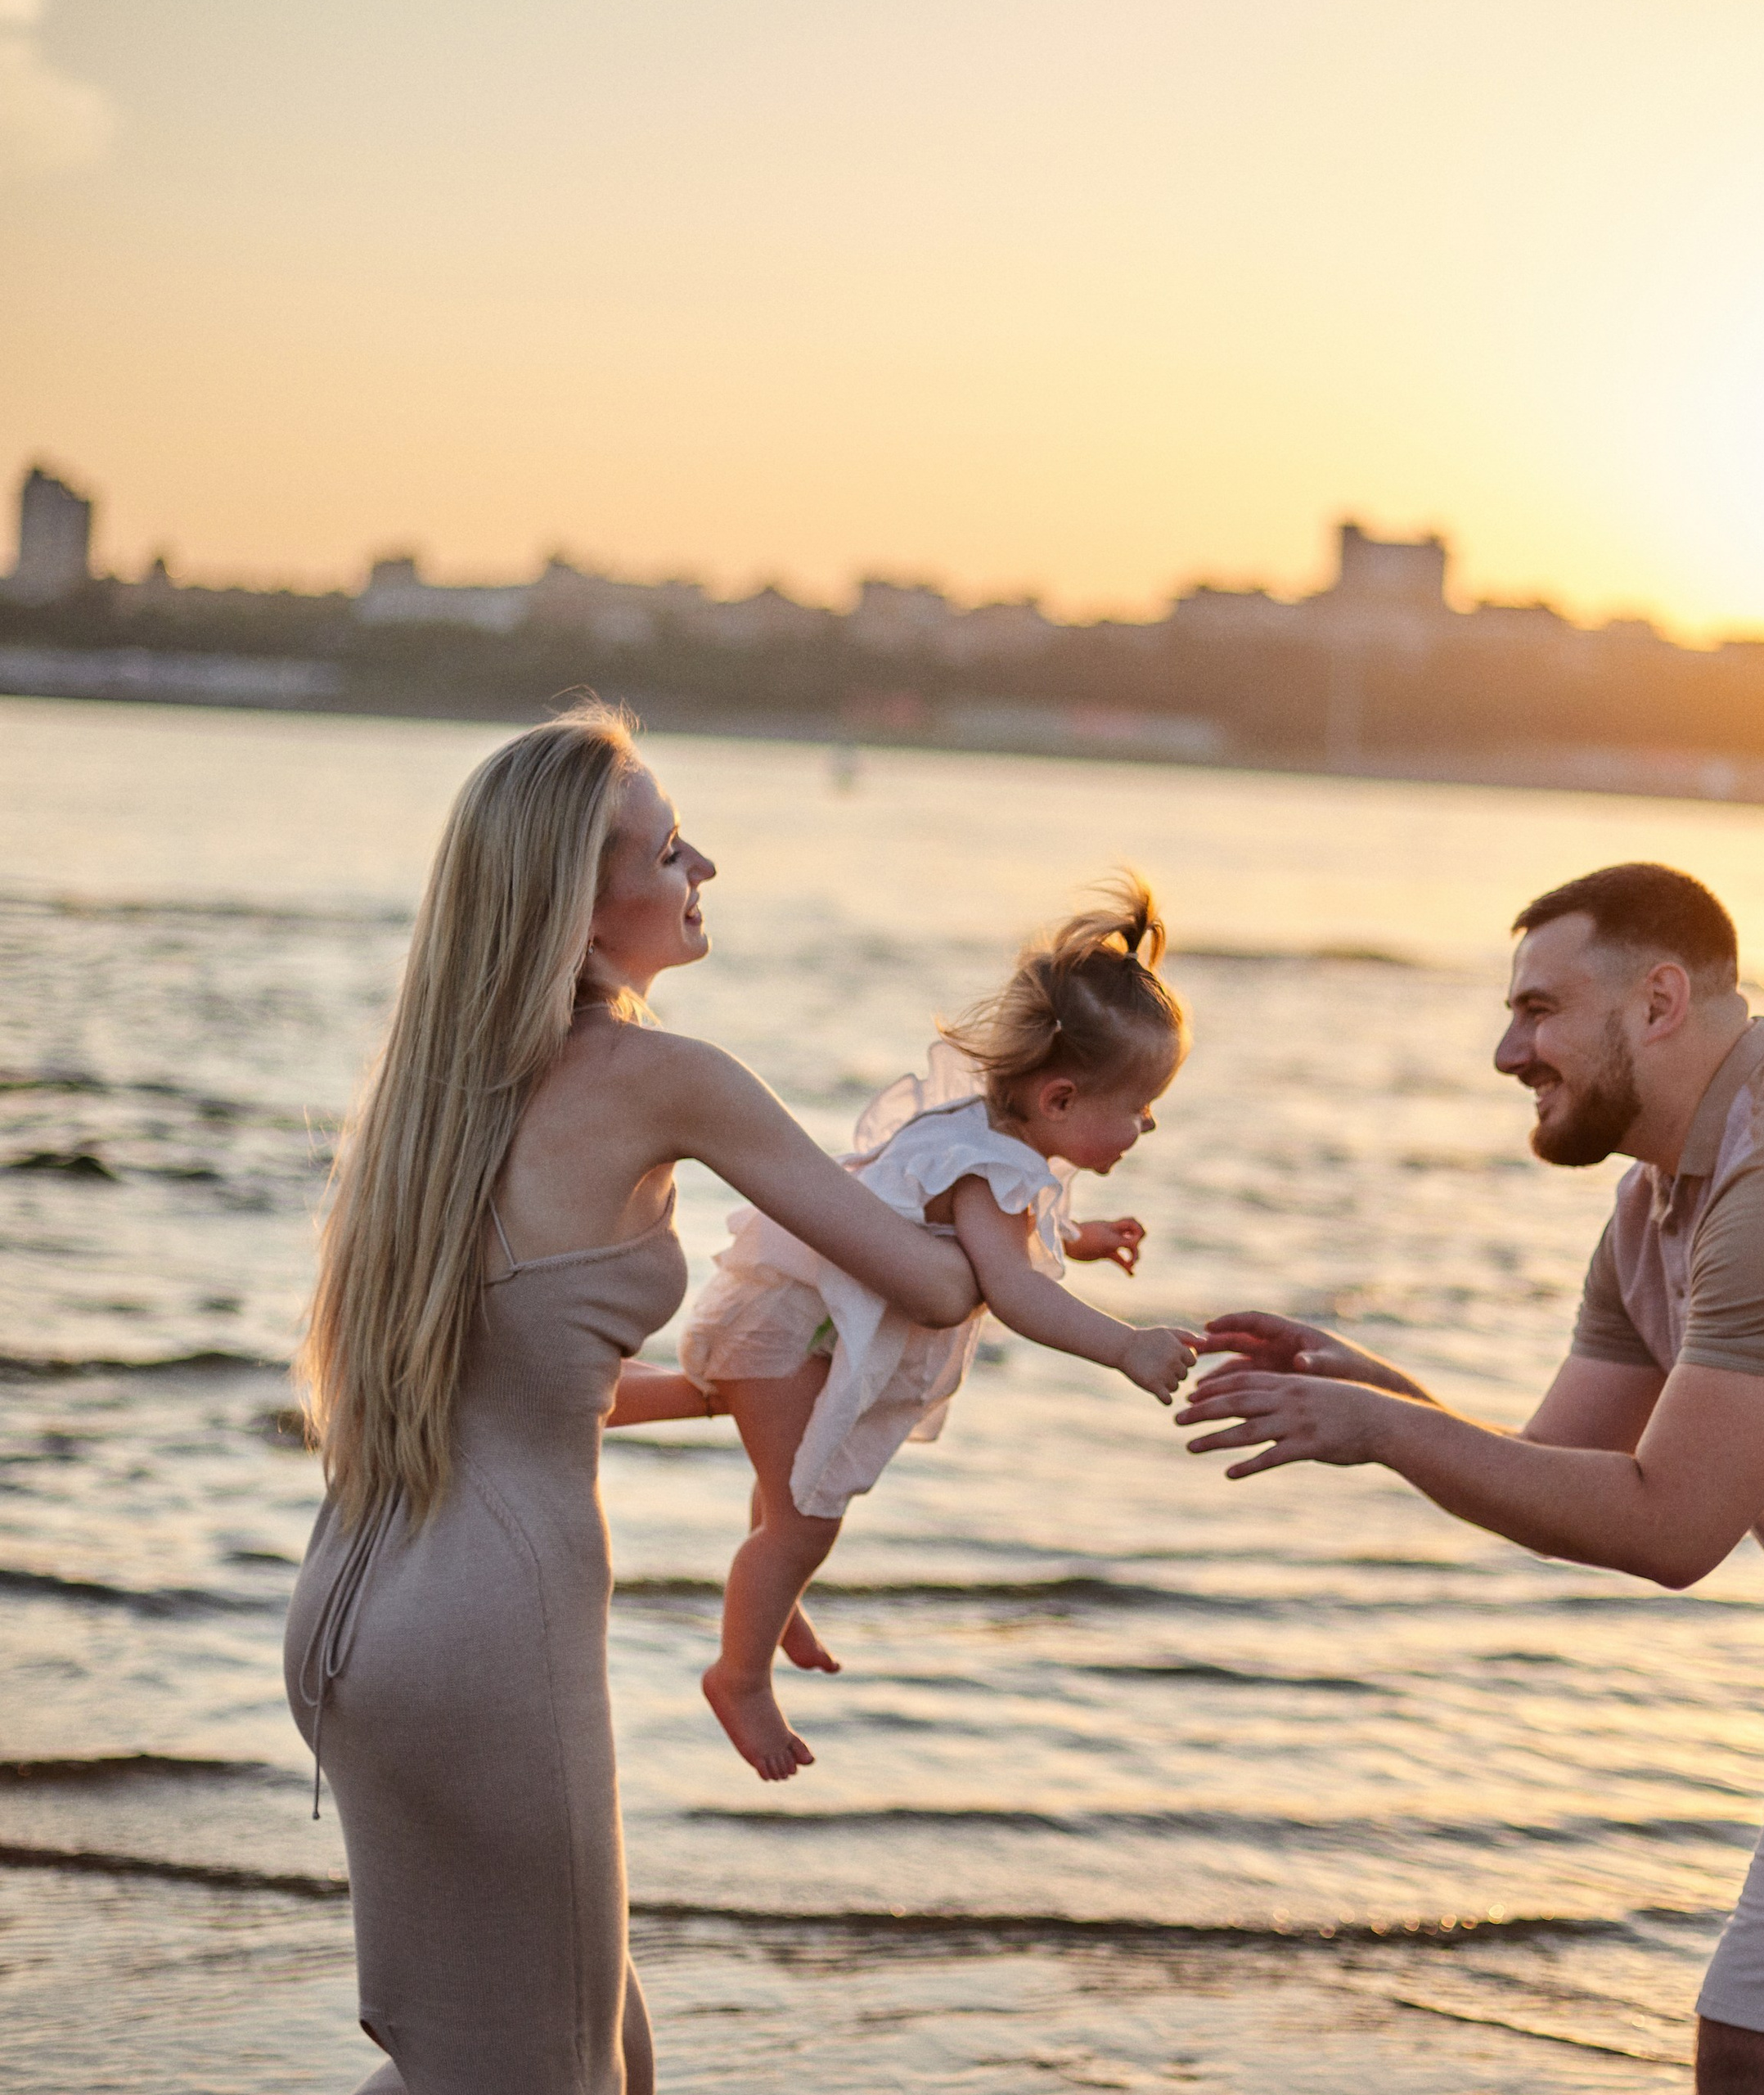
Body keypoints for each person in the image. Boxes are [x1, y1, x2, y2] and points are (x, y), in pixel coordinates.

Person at [1176, 862, 1764, 2095]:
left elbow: (1674, 1528)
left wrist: (1380, 1432)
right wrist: (1383, 1391)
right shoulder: (1652, 1209)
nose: (1510, 1052)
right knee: (1758, 2053)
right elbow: (1568, 1471)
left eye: (1539, 1010)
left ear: (1659, 1002)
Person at [284, 702, 981, 2095]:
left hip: (356, 1616)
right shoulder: (667, 1079)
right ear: (584, 909)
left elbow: (534, 1394)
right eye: (670, 851)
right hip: (493, 1628)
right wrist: (1017, 1166)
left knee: (591, 2061)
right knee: (544, 2075)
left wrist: (740, 1397)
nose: (703, 866)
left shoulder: (433, 1096)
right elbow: (938, 1281)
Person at [659, 875, 1199, 1781]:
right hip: (787, 1332)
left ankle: (771, 1592)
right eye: (1137, 1108)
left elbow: (1004, 1228)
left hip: (793, 1316)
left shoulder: (985, 1130)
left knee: (797, 1488)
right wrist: (1125, 1346)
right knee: (806, 1517)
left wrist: (1085, 1238)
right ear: (1060, 1100)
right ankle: (738, 1671)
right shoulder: (992, 1170)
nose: (1146, 1124)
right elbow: (1018, 1292)